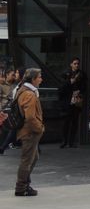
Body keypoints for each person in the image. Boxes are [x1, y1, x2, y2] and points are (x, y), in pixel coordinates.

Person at [13, 68, 44, 197]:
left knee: (33, 157)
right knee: (27, 160)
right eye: (39, 77)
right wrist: (40, 128)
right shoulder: (29, 94)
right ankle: (21, 187)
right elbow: (30, 117)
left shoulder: (23, 90)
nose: (41, 79)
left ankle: (25, 184)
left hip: (27, 130)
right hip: (29, 132)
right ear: (33, 79)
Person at [58, 57, 87, 148]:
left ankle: (71, 141)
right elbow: (61, 88)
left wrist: (80, 92)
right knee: (66, 122)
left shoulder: (82, 74)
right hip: (67, 101)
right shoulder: (65, 74)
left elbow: (85, 86)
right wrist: (70, 82)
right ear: (71, 64)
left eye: (78, 63)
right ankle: (64, 141)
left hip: (76, 100)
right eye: (75, 63)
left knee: (75, 121)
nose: (76, 65)